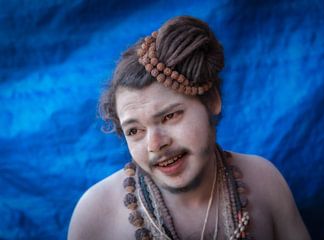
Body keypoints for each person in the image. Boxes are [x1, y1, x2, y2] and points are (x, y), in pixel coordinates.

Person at [68, 16, 310, 240]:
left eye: (170, 116)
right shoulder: (95, 216)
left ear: (212, 100)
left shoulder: (265, 183)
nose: (155, 144)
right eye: (134, 131)